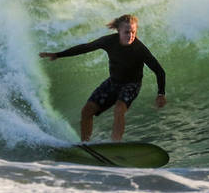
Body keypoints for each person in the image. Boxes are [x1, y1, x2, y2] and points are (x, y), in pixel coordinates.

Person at [40, 14, 167, 142]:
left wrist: (161, 94)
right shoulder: (109, 41)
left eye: (133, 32)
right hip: (113, 82)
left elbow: (159, 71)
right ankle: (85, 144)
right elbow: (86, 47)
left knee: (119, 109)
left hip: (131, 84)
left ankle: (115, 144)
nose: (130, 35)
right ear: (118, 31)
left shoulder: (139, 49)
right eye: (126, 32)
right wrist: (58, 54)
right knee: (86, 111)